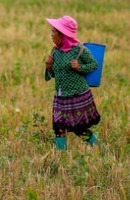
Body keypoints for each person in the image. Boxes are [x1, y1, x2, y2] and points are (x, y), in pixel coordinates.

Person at [43, 15, 101, 150]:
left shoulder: (80, 50)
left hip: (77, 96)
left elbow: (94, 65)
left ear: (62, 35)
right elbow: (53, 75)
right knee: (59, 127)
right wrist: (48, 66)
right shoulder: (55, 51)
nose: (51, 35)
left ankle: (101, 148)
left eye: (54, 32)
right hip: (60, 96)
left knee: (79, 129)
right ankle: (60, 159)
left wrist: (80, 67)